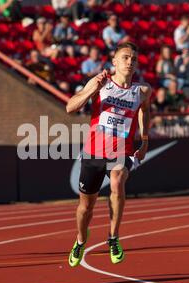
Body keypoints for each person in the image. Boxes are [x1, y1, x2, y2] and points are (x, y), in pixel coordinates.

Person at [65, 42, 152, 266]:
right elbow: (70, 107)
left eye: (133, 58)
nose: (130, 62)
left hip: (120, 153)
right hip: (93, 153)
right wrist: (93, 89)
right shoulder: (100, 83)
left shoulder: (142, 91)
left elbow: (145, 112)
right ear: (114, 62)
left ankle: (113, 237)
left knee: (117, 181)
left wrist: (144, 140)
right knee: (86, 208)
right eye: (125, 57)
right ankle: (81, 239)